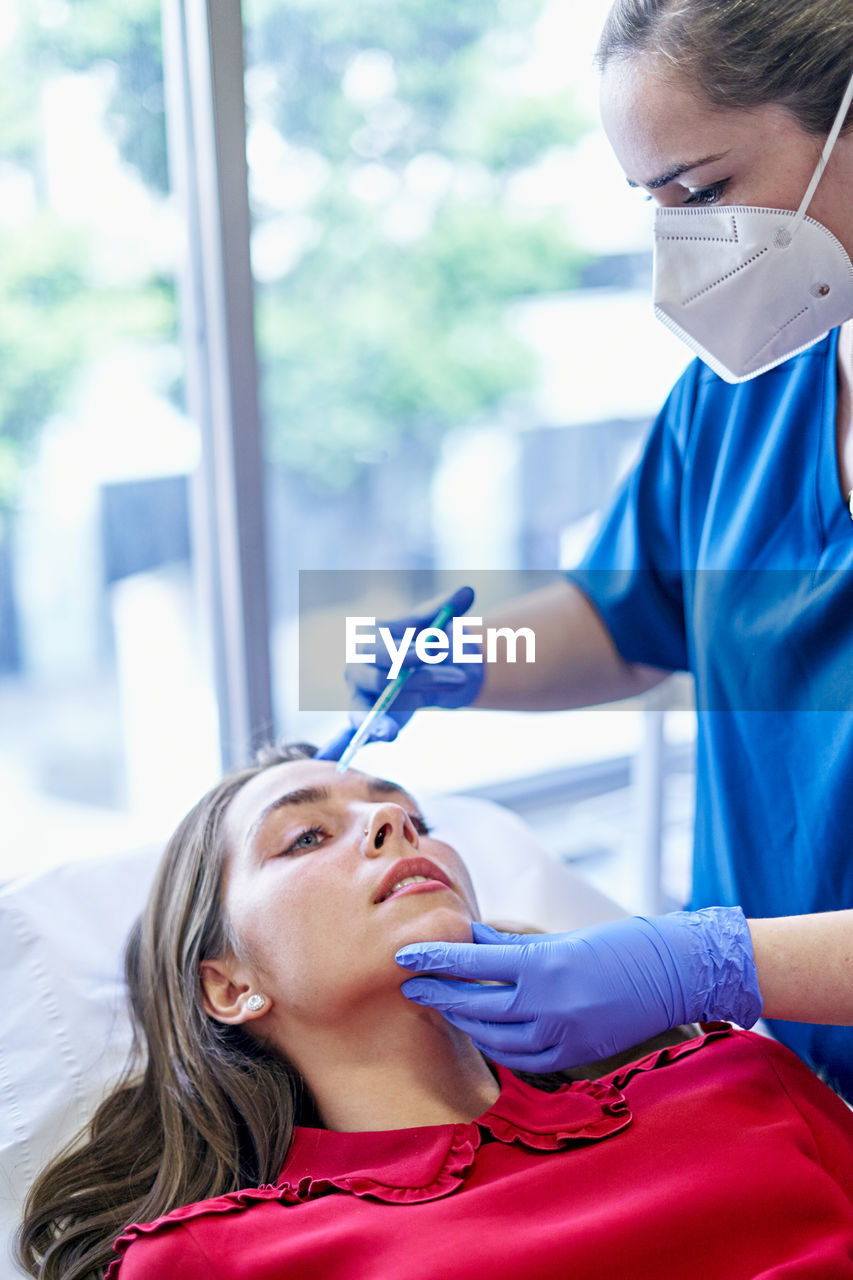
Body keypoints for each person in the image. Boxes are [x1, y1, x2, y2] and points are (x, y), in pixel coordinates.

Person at [332, 0, 853, 1103]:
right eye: (652, 204)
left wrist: (707, 962)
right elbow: (627, 616)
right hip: (791, 1095)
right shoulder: (747, 400)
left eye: (703, 191)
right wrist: (468, 653)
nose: (681, 243)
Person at [15, 746, 853, 1280]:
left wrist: (712, 962)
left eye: (413, 817)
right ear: (229, 987)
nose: (390, 823)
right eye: (305, 837)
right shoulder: (210, 1262)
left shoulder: (732, 1075)